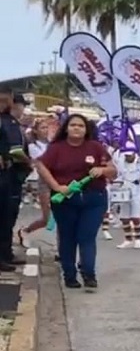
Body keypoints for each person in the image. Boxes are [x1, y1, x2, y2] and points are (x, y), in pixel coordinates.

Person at [36, 114, 117, 290]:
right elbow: (41, 166)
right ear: (66, 128)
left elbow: (113, 170)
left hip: (94, 198)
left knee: (86, 236)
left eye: (80, 125)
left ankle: (89, 273)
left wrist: (102, 170)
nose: (76, 128)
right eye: (73, 125)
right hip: (65, 200)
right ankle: (69, 275)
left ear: (86, 129)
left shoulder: (96, 147)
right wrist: (56, 186)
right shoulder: (56, 148)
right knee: (67, 238)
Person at [0, 90, 31, 272]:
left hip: (12, 177)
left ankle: (6, 253)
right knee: (4, 217)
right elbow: (13, 150)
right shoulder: (7, 123)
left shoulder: (12, 123)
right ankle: (2, 256)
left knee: (8, 218)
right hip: (6, 176)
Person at [18, 119, 53, 248]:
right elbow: (41, 162)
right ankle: (25, 230)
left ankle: (62, 249)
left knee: (62, 217)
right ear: (36, 131)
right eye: (42, 128)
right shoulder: (33, 146)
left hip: (58, 180)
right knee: (47, 218)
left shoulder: (51, 144)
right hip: (44, 182)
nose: (45, 130)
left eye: (46, 128)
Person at [112, 147, 140, 249]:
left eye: (130, 155)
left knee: (136, 217)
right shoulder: (121, 162)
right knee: (124, 218)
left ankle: (137, 239)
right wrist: (116, 182)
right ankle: (128, 239)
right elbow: (119, 175)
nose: (128, 157)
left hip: (138, 191)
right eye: (126, 155)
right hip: (125, 190)